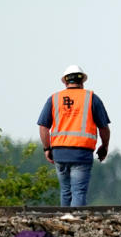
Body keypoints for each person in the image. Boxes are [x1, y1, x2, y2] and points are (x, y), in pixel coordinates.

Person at [37, 64, 112, 207]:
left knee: (66, 191)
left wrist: (47, 148)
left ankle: (65, 222)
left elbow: (43, 127)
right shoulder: (91, 98)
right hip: (81, 153)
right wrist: (105, 146)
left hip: (59, 153)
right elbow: (104, 128)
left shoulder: (54, 99)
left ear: (65, 81)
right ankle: (75, 223)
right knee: (78, 192)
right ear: (82, 81)